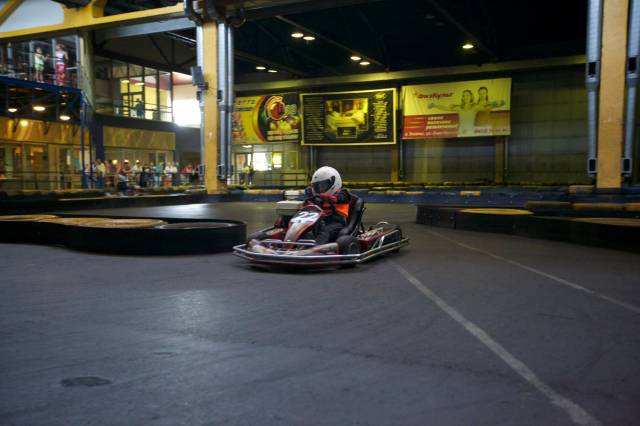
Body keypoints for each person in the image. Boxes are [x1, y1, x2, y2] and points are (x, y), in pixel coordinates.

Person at [303, 166, 351, 245]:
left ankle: (316, 248)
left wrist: (332, 198)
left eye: (323, 186)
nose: (320, 189)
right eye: (317, 186)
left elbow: (342, 197)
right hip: (320, 220)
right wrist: (309, 193)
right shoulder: (318, 195)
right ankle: (293, 244)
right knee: (305, 228)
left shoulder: (343, 193)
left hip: (337, 222)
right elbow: (309, 191)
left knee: (324, 231)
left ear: (334, 182)